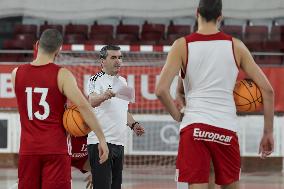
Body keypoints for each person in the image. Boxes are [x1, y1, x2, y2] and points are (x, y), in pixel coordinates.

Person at [155, 0, 275, 188]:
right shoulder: (236, 46)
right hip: (225, 126)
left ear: (197, 13)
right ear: (220, 17)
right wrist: (268, 132)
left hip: (194, 126)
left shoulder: (181, 45)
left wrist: (178, 116)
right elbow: (268, 90)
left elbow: (161, 90)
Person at [11, 29, 109, 189]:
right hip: (56, 149)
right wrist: (102, 139)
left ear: (37, 45)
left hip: (28, 150)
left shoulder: (16, 73)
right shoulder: (62, 74)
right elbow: (84, 107)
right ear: (59, 49)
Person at [87, 45, 145, 189]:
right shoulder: (95, 79)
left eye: (120, 57)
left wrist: (133, 124)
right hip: (101, 143)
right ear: (102, 61)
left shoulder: (123, 82)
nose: (118, 61)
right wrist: (104, 95)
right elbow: (91, 101)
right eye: (113, 57)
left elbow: (122, 110)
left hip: (119, 143)